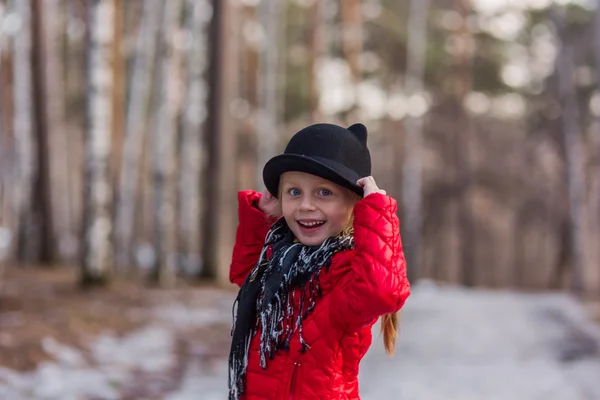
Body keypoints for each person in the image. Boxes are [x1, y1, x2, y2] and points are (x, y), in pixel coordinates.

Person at [228, 122, 410, 400]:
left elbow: (381, 292)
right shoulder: (279, 258)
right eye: (294, 192)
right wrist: (260, 219)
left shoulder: (347, 272)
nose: (305, 205)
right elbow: (245, 277)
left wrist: (376, 209)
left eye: (324, 192)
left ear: (355, 203)